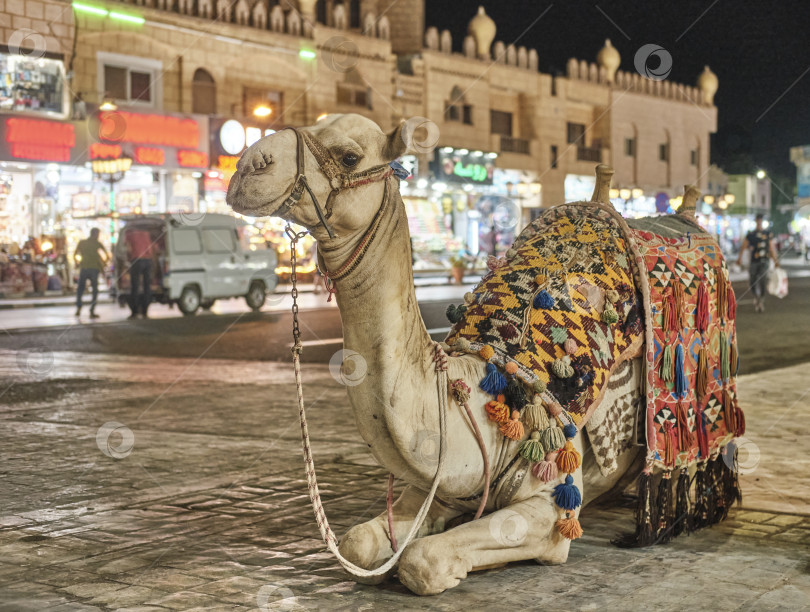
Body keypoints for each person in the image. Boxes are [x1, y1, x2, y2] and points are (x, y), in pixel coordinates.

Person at [736, 213, 779, 313]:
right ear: (755, 221)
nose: (759, 223)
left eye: (760, 221)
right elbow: (743, 246)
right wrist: (739, 258)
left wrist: (775, 260)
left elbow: (771, 248)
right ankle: (756, 296)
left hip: (764, 261)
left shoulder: (768, 234)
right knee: (752, 281)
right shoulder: (751, 235)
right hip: (754, 261)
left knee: (763, 280)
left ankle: (761, 298)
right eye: (757, 221)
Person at [73, 228, 108, 318]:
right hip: (94, 269)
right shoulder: (97, 243)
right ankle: (92, 310)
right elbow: (107, 255)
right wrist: (103, 264)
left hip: (84, 268)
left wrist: (77, 263)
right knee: (94, 290)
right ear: (96, 234)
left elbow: (75, 254)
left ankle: (79, 308)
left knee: (80, 289)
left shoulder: (82, 242)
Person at [125, 228, 155, 319]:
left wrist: (128, 259)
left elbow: (128, 248)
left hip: (137, 260)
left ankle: (135, 312)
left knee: (135, 286)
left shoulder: (129, 234)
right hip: (148, 260)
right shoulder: (146, 233)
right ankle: (145, 311)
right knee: (147, 287)